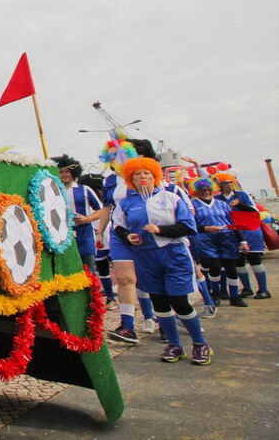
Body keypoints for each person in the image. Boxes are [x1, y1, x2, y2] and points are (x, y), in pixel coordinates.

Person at [112, 157, 212, 365]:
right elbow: (118, 225)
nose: (142, 177)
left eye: (146, 173)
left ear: (154, 176)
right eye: (137, 174)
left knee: (179, 302)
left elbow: (189, 226)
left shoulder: (171, 197)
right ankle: (174, 345)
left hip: (174, 255)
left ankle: (200, 344)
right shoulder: (126, 203)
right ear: (131, 179)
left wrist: (160, 230)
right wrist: (129, 236)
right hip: (145, 257)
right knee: (159, 303)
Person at [97, 138, 157, 342]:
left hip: (145, 230)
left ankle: (156, 317)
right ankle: (128, 326)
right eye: (111, 155)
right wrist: (100, 232)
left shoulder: (142, 176)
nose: (115, 158)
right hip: (118, 233)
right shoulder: (109, 181)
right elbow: (107, 207)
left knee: (148, 277)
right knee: (124, 278)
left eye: (119, 153)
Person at [191, 177, 248, 315]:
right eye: (202, 190)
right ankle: (215, 293)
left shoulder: (222, 204)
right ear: (197, 192)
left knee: (231, 267)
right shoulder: (193, 205)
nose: (206, 192)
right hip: (205, 239)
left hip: (226, 237)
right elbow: (190, 225)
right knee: (215, 266)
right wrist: (206, 228)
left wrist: (242, 241)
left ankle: (234, 296)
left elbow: (232, 223)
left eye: (209, 190)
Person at [216, 174, 271, 299]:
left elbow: (254, 211)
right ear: (220, 185)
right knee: (238, 262)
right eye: (225, 183)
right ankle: (247, 288)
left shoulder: (242, 195)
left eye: (230, 182)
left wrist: (239, 205)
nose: (229, 185)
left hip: (249, 231)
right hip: (232, 233)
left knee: (254, 259)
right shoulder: (218, 198)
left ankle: (263, 290)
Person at [53, 155, 102, 274]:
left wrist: (86, 219)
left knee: (88, 269)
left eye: (67, 171)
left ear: (73, 173)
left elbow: (101, 210)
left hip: (85, 235)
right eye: (61, 172)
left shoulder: (84, 189)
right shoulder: (53, 192)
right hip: (63, 236)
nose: (64, 175)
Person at [80, 173, 117, 305]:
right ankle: (110, 297)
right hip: (98, 234)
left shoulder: (102, 200)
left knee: (111, 266)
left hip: (107, 233)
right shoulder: (86, 198)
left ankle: (113, 296)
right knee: (102, 267)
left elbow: (102, 212)